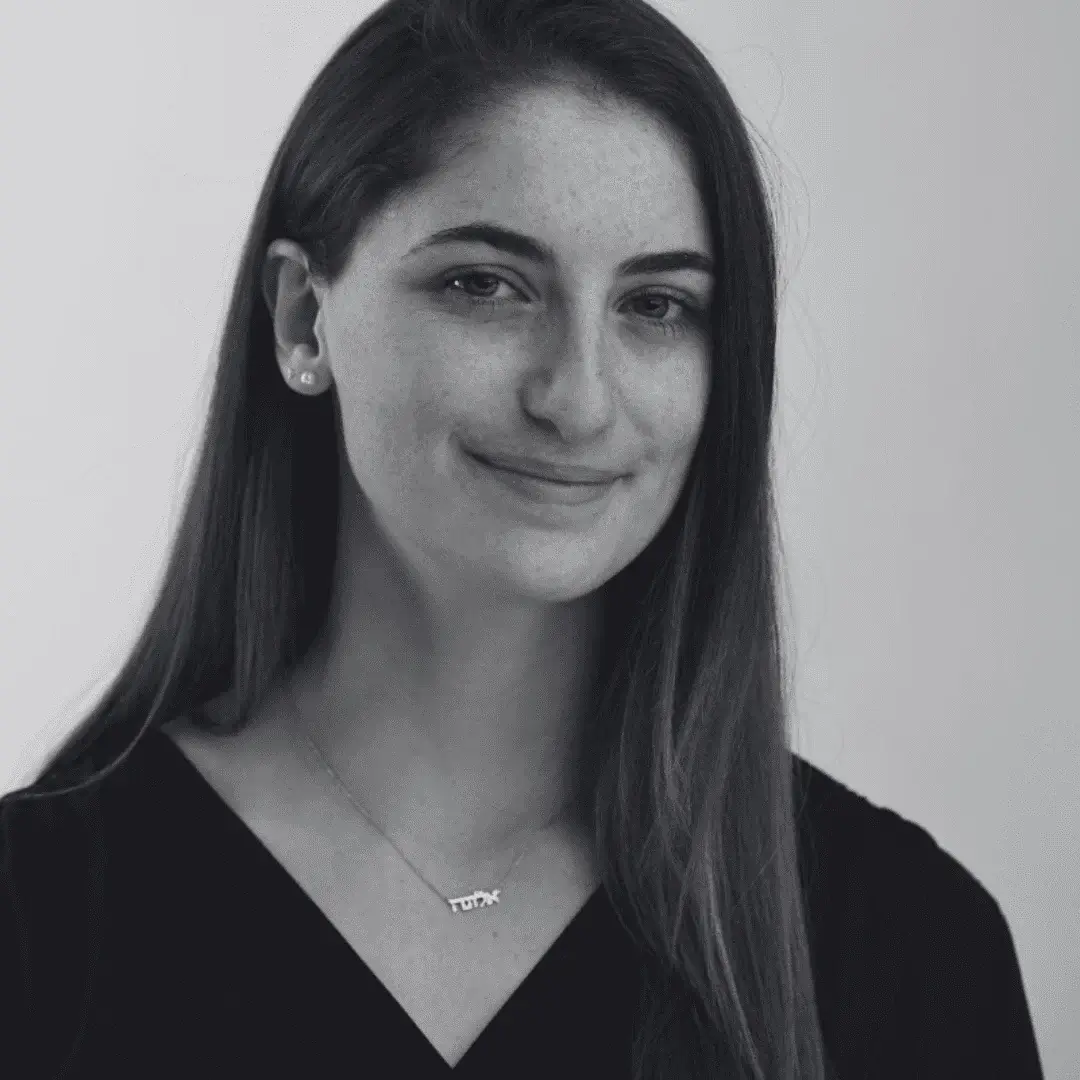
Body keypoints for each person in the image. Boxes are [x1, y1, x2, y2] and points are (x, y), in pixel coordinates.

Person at [0, 1, 1044, 1077]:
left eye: (657, 306)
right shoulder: (37, 923)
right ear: (303, 319)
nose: (578, 399)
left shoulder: (910, 949)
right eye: (485, 286)